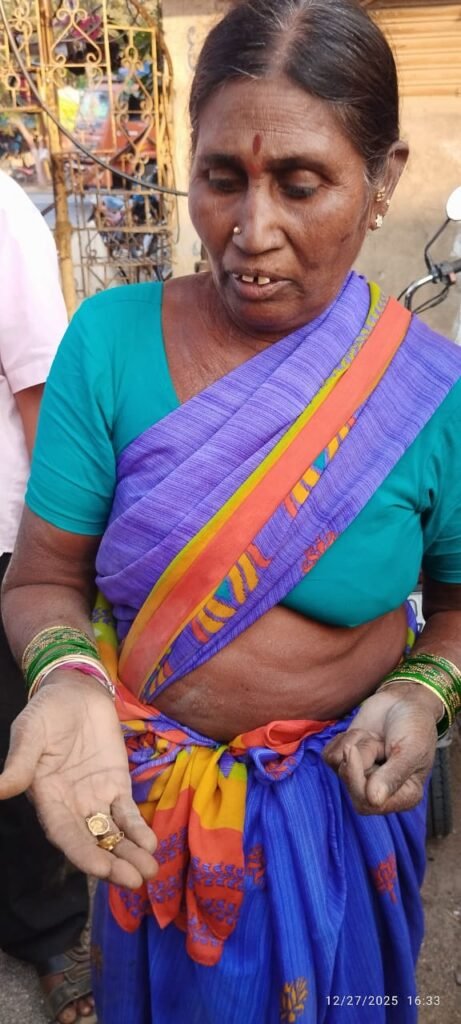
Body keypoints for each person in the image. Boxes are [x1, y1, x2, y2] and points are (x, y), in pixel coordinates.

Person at [1, 1, 461, 1020]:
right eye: (220, 178)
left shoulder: (431, 396)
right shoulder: (108, 344)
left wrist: (425, 688)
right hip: (149, 820)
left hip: (340, 825)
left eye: (300, 183)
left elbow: (457, 606)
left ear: (382, 178)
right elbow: (42, 579)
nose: (251, 233)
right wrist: (67, 678)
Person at [0, 170, 95, 1024]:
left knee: (23, 742)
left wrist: (51, 558)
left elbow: (39, 387)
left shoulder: (1, 211)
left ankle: (53, 930)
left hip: (3, 542)